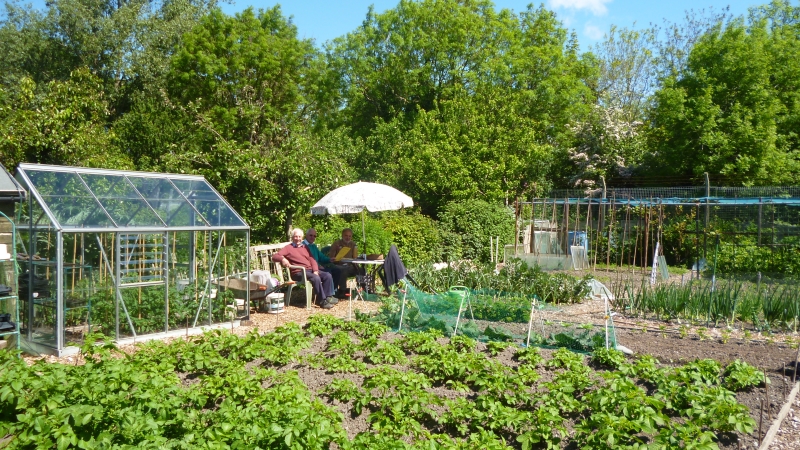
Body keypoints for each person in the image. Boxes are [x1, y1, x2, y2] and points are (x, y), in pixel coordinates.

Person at [272, 228, 336, 309]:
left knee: (327, 275)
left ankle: (327, 297)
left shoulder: (305, 247)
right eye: (295, 236)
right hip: (298, 272)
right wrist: (283, 259)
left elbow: (312, 259)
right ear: (292, 237)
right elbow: (275, 256)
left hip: (309, 270)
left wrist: (315, 270)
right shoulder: (288, 248)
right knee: (315, 277)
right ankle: (322, 301)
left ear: (302, 238)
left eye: (299, 237)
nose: (297, 239)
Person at [303, 228, 346, 300]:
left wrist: (329, 259)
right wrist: (317, 266)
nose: (312, 237)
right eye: (310, 235)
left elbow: (321, 257)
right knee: (328, 273)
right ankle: (326, 296)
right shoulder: (303, 246)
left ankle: (333, 292)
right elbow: (305, 261)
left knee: (337, 270)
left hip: (318, 267)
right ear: (306, 235)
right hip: (310, 269)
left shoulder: (313, 246)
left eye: (314, 236)